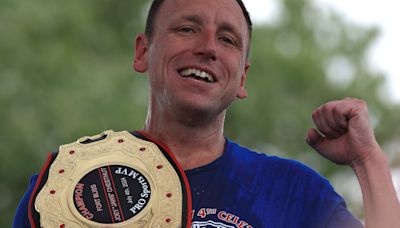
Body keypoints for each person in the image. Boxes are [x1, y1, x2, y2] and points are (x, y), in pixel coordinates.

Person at [13, 0, 400, 227]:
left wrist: (369, 162)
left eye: (228, 39)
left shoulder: (294, 193)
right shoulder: (66, 187)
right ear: (142, 52)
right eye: (187, 29)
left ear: (242, 77)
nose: (209, 48)